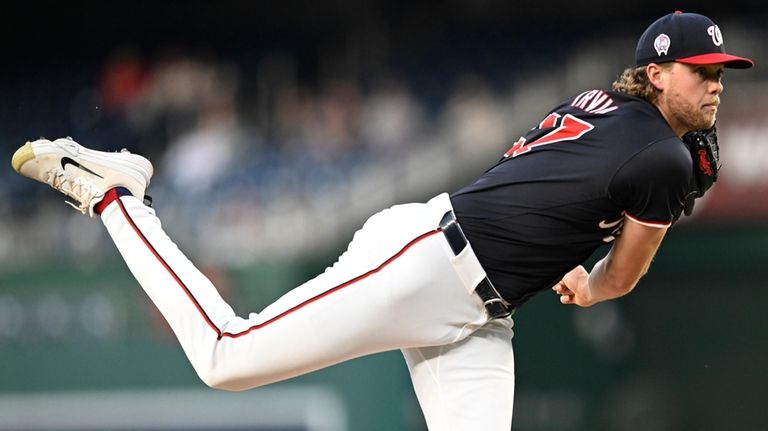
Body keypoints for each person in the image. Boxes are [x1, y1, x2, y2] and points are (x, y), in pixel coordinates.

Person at [11, 11, 753, 431]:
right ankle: (120, 195)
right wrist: (590, 283)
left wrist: (558, 238)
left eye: (720, 73)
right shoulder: (661, 159)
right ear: (657, 72)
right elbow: (620, 275)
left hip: (478, 311)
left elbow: (539, 182)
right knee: (225, 357)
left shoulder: (603, 104)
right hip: (425, 265)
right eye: (701, 71)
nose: (715, 84)